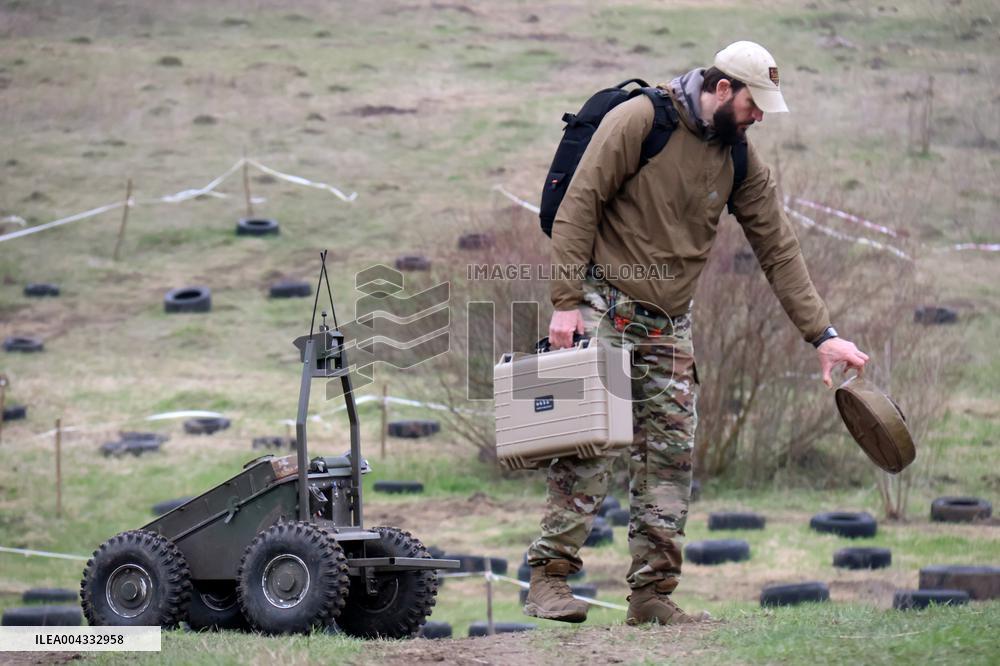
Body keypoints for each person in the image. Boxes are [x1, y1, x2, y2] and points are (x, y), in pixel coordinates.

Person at [523, 41, 869, 626]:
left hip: (670, 322)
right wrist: (565, 302)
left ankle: (651, 596)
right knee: (591, 442)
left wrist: (822, 334)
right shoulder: (641, 120)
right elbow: (580, 203)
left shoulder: (739, 157)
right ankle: (548, 579)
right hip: (604, 304)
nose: (758, 118)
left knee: (670, 455)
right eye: (753, 105)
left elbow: (778, 247)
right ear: (723, 88)